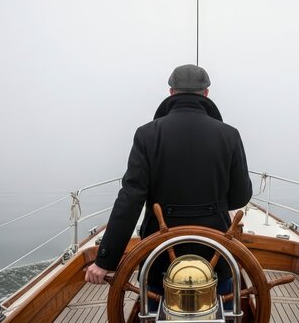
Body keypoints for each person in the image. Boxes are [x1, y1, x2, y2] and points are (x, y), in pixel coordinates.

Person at [85, 64, 252, 309]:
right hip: (215, 254)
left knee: (156, 310)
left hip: (160, 255)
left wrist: (105, 260)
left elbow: (130, 198)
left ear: (171, 92)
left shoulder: (146, 134)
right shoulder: (229, 134)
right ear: (206, 93)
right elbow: (240, 197)